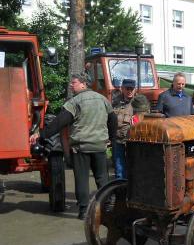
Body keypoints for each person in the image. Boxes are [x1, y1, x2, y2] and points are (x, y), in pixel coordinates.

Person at [29, 73, 117, 219]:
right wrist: (111, 139)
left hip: (81, 147)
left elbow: (59, 122)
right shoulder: (103, 99)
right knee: (102, 178)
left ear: (83, 84)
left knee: (82, 179)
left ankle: (83, 211)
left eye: (74, 82)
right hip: (99, 146)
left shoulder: (74, 102)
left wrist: (41, 134)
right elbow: (113, 119)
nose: (71, 85)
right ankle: (107, 208)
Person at [111, 78, 136, 179]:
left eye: (132, 89)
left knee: (134, 167)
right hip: (118, 140)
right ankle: (120, 193)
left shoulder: (139, 103)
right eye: (127, 89)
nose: (129, 91)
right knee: (119, 169)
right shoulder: (115, 102)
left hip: (133, 142)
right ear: (122, 89)